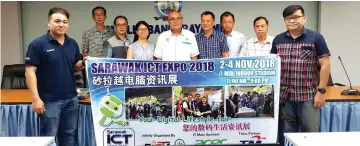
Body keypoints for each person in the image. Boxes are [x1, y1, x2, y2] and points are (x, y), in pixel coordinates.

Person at [24, 7, 87, 146]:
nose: (61, 24)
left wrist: (84, 63)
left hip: (71, 99)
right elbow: (29, 72)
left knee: (69, 135)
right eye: (57, 21)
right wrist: (35, 98)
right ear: (49, 23)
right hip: (49, 101)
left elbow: (76, 65)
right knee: (49, 137)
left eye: (65, 22)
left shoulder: (72, 43)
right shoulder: (37, 44)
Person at [270, 5, 331, 145]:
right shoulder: (278, 40)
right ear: (285, 21)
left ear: (304, 18)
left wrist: (321, 91)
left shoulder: (316, 37)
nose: (292, 21)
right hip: (285, 98)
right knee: (287, 134)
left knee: (311, 135)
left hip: (308, 97)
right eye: (288, 18)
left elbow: (325, 64)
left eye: (296, 17)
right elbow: (272, 66)